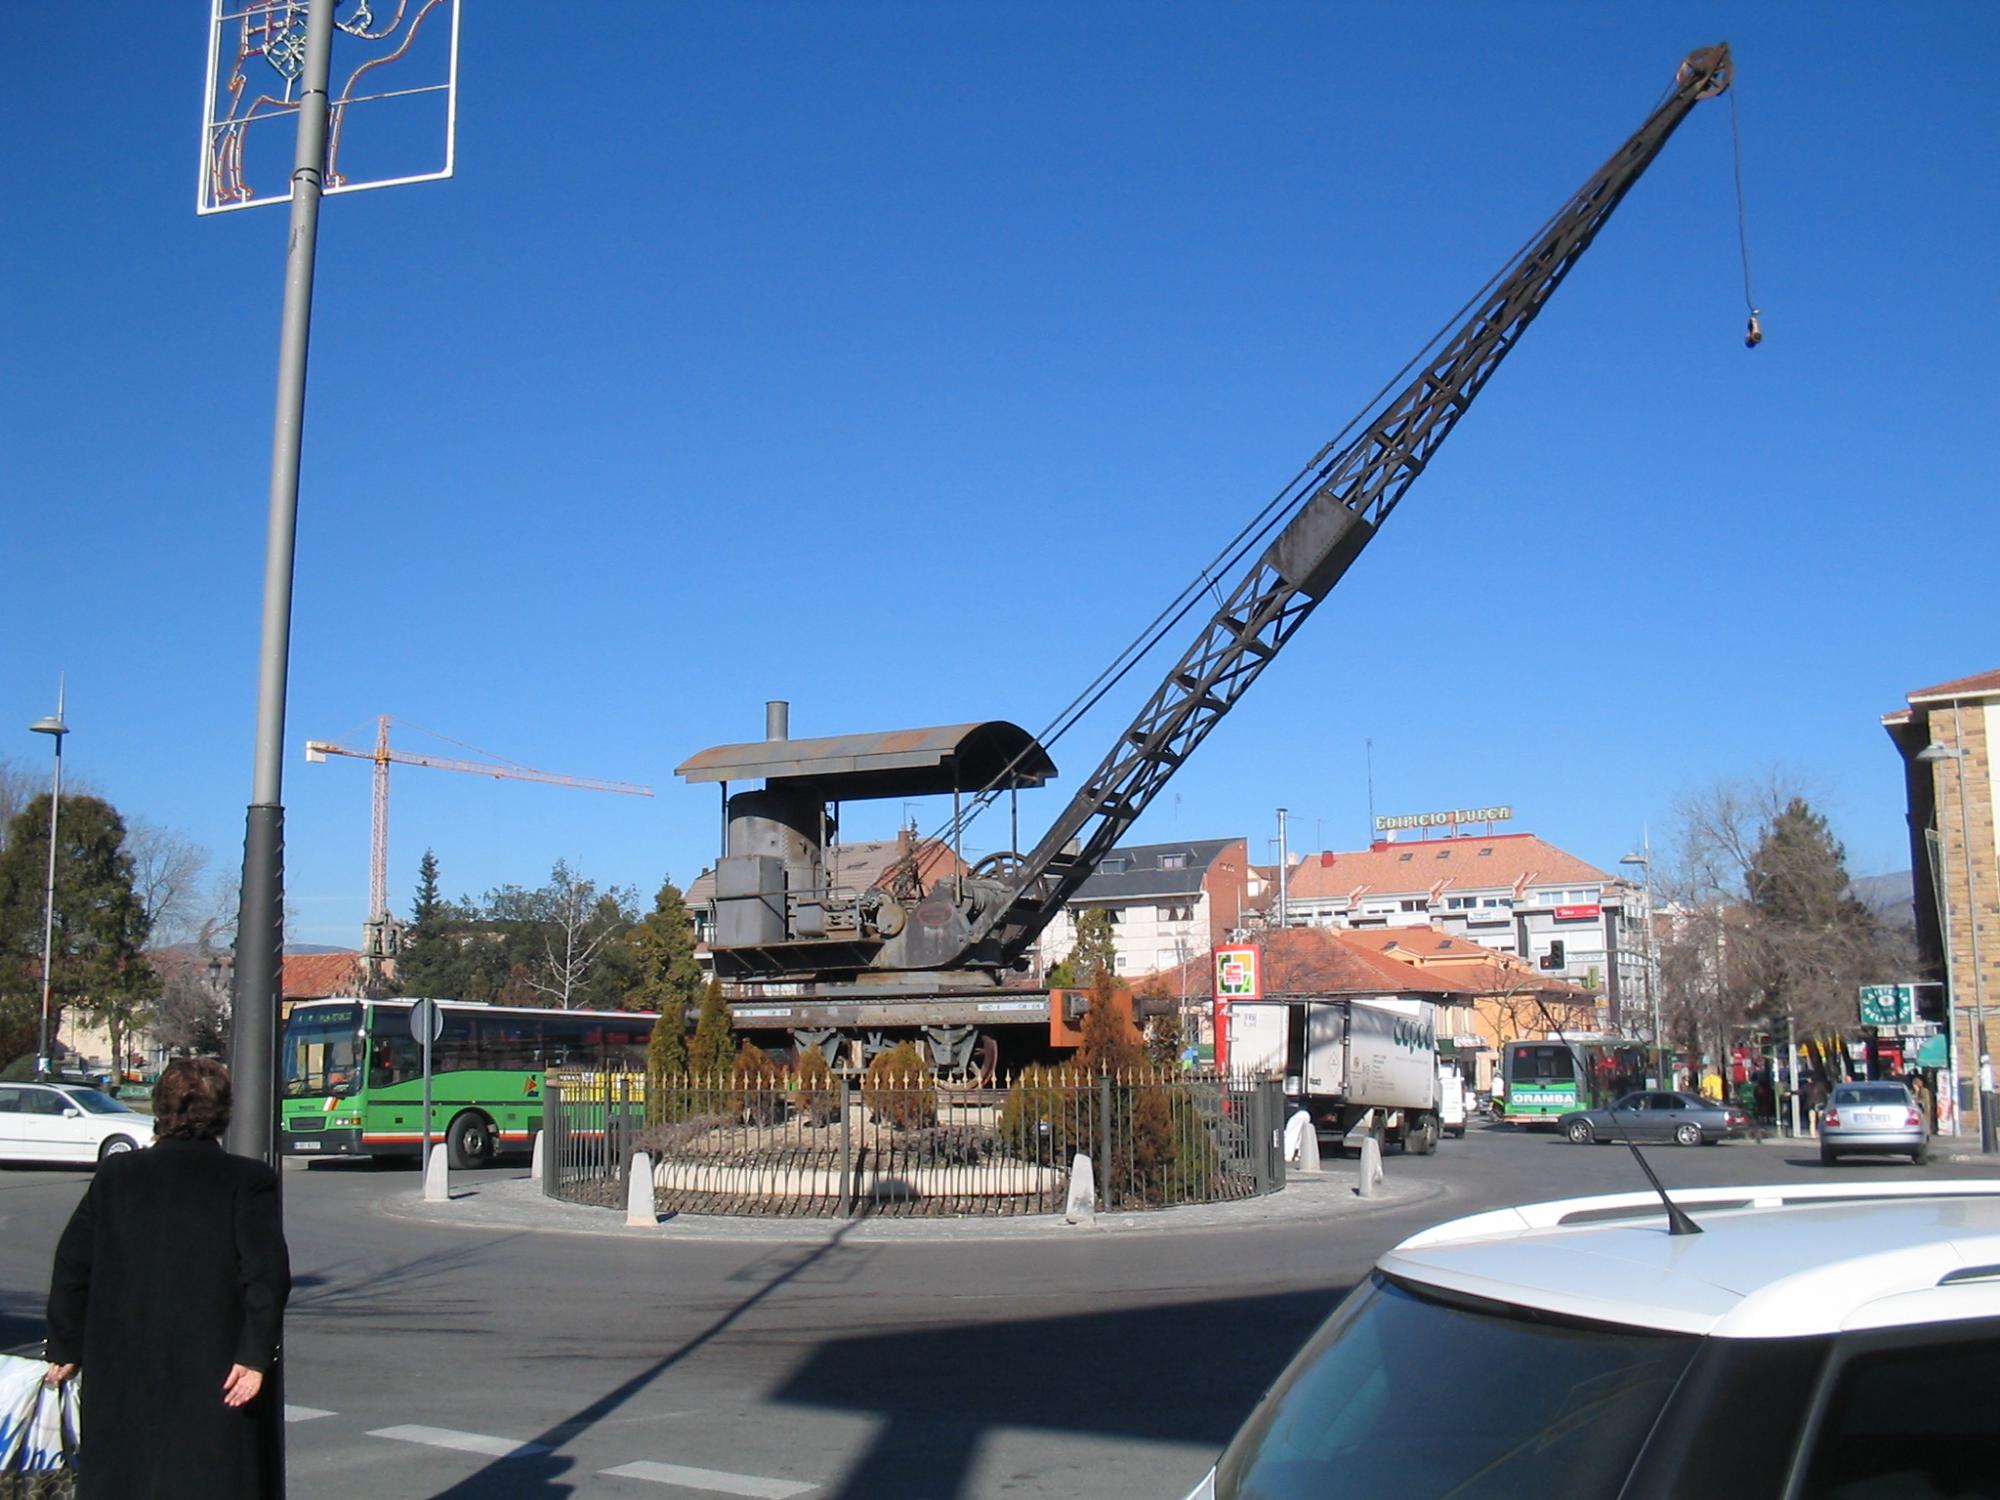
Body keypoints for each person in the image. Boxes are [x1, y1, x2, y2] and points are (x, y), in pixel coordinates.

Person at [44, 1057, 291, 1500]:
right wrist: (255, 1358)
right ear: (222, 1114)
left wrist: (66, 1345)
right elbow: (266, 1276)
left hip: (123, 1374)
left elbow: (73, 1264)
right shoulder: (247, 1180)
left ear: (161, 1109)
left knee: (128, 1478)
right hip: (216, 1374)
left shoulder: (117, 1175)